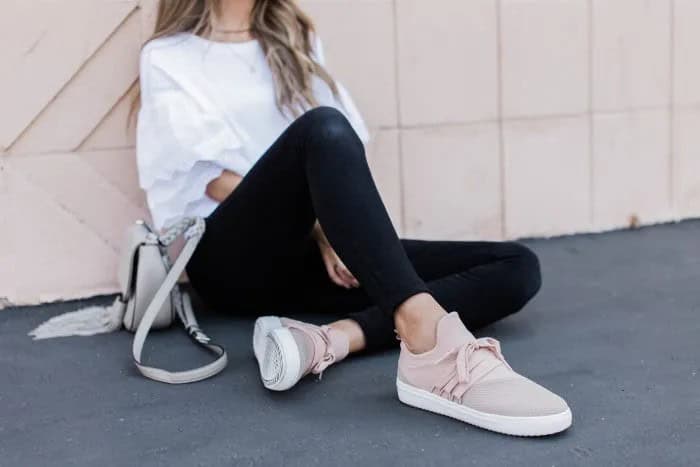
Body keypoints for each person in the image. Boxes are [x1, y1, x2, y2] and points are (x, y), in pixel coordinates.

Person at [131, 0, 572, 436]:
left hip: (304, 255)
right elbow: (208, 178)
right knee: (323, 129)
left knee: (516, 266)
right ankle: (431, 345)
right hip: (230, 258)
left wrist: (336, 240)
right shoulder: (169, 55)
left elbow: (333, 169)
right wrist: (325, 229)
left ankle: (331, 340)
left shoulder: (294, 41)